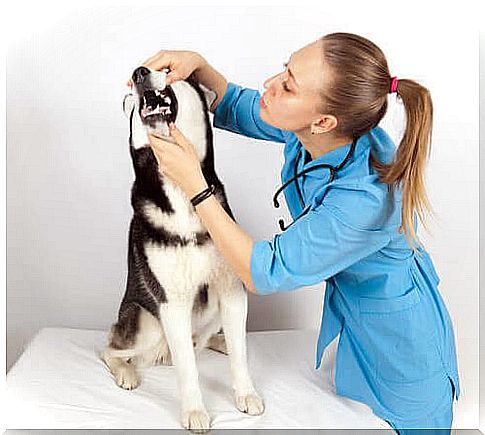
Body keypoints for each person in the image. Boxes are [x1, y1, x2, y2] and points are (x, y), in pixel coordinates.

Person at [129, 33, 460, 434]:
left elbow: (261, 271)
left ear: (323, 121)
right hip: (357, 317)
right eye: (285, 68)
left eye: (288, 85)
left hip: (404, 344)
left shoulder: (365, 200)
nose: (271, 84)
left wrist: (196, 187)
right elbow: (240, 105)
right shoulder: (320, 132)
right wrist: (198, 65)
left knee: (415, 422)